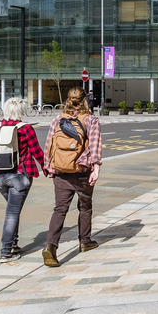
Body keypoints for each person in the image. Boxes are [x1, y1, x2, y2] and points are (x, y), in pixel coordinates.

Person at [41, 86, 103, 267]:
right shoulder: (91, 120)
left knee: (60, 209)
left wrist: (49, 168)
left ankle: (50, 247)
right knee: (85, 207)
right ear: (85, 100)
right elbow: (94, 146)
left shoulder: (57, 119)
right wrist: (96, 168)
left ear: (67, 100)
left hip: (61, 170)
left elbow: (49, 145)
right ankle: (85, 241)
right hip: (82, 171)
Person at [0, 97, 45, 261]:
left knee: (13, 210)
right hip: (19, 177)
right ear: (21, 111)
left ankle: (13, 244)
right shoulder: (25, 129)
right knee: (12, 213)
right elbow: (36, 152)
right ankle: (6, 251)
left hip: (0, 177)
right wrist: (47, 168)